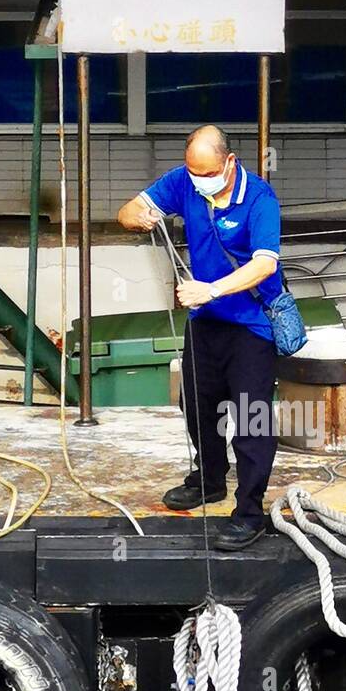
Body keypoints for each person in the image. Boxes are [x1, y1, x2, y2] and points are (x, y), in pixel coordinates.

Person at [117, 124, 282, 550]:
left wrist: (211, 289)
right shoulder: (183, 182)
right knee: (195, 403)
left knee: (250, 419)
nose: (198, 180)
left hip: (251, 325)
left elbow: (264, 264)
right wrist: (139, 216)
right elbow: (128, 210)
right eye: (193, 172)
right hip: (205, 322)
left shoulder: (260, 199)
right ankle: (209, 479)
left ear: (229, 162)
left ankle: (250, 512)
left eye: (206, 172)